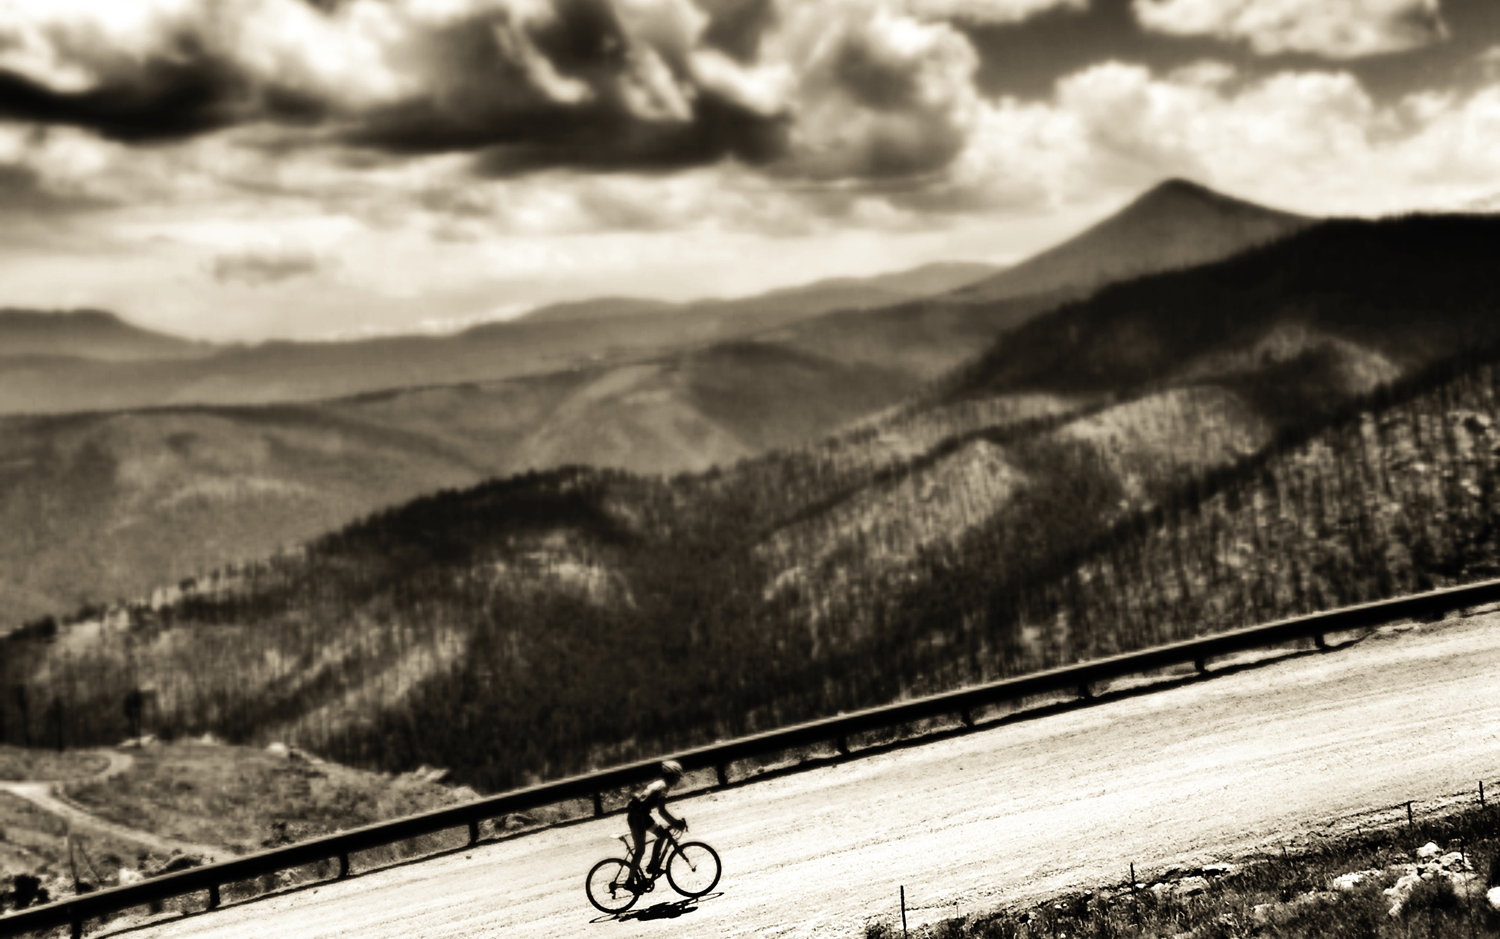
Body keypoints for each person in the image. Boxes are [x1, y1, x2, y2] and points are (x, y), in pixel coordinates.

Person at [627, 760, 686, 883]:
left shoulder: (661, 784)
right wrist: (675, 823)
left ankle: (653, 866)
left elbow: (661, 811)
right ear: (672, 776)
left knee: (663, 833)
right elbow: (662, 811)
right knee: (640, 851)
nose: (679, 780)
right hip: (637, 817)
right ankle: (630, 881)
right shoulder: (663, 787)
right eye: (678, 777)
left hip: (641, 815)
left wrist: (674, 822)